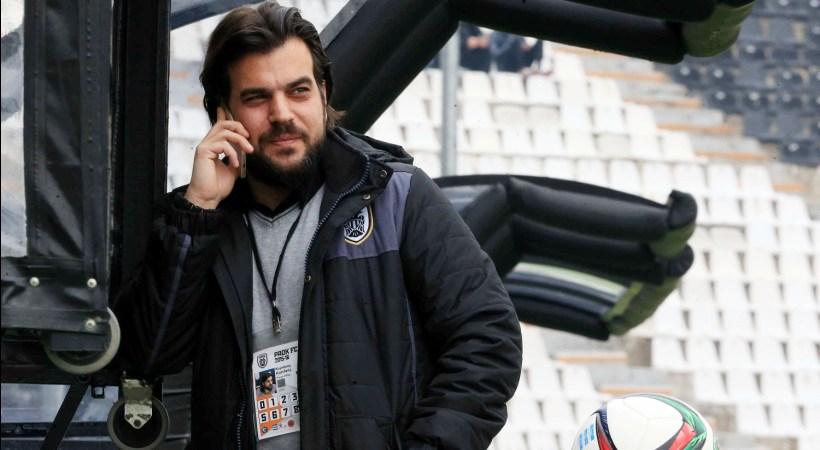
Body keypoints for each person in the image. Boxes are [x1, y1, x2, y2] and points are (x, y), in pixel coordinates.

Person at [114, 2, 522, 449]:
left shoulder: (396, 197)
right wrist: (199, 210)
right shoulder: (198, 223)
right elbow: (147, 355)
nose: (282, 113)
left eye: (298, 91)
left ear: (323, 93)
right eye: (257, 97)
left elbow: (487, 340)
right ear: (223, 113)